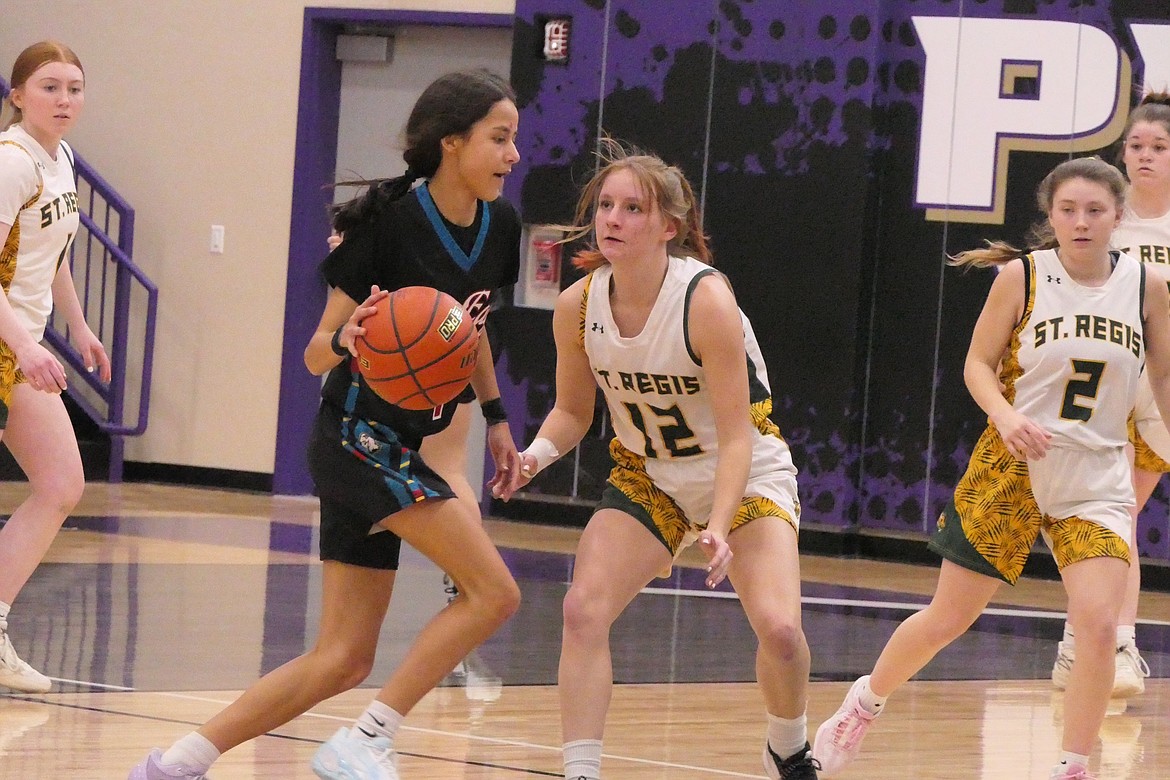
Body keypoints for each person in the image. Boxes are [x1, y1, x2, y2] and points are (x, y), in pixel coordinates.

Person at [129, 69, 524, 780]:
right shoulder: (389, 225)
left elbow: (472, 335)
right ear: (452, 142)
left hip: (397, 445)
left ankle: (174, 764)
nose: (513, 155)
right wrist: (354, 338)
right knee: (494, 592)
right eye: (499, 139)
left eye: (514, 139)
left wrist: (495, 416)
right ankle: (367, 738)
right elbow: (317, 351)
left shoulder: (502, 226)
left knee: (343, 658)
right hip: (354, 438)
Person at [811, 156, 1170, 780]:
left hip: (1096, 476)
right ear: (1050, 216)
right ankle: (863, 704)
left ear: (1119, 216)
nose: (1081, 222)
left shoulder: (1147, 287)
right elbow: (978, 364)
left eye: (1094, 211)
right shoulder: (1023, 278)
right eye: (1067, 210)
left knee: (1098, 625)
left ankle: (1073, 765)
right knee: (950, 616)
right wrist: (1006, 417)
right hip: (1013, 465)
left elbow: (1162, 378)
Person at [496, 140, 820, 780]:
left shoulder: (705, 301)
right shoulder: (578, 305)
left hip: (744, 471)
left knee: (781, 631)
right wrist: (534, 457)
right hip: (650, 476)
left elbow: (736, 438)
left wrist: (720, 525)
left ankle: (789, 746)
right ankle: (581, 770)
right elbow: (573, 413)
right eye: (606, 206)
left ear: (667, 228)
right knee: (582, 609)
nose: (612, 219)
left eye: (632, 208)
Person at [0, 40, 111, 694]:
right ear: (18, 96)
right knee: (59, 483)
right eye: (49, 87)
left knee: (62, 484)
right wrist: (28, 344)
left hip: (20, 342)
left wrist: (77, 324)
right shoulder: (12, 163)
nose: (64, 99)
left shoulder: (61, 158)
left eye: (73, 87)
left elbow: (56, 247)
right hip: (9, 340)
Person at [1051, 92, 1170, 699]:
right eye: (1136, 146)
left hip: (1161, 391)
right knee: (1114, 514)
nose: (1144, 156)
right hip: (1101, 385)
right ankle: (1107, 641)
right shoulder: (1105, 215)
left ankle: (1089, 640)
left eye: (1159, 147)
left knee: (1120, 513)